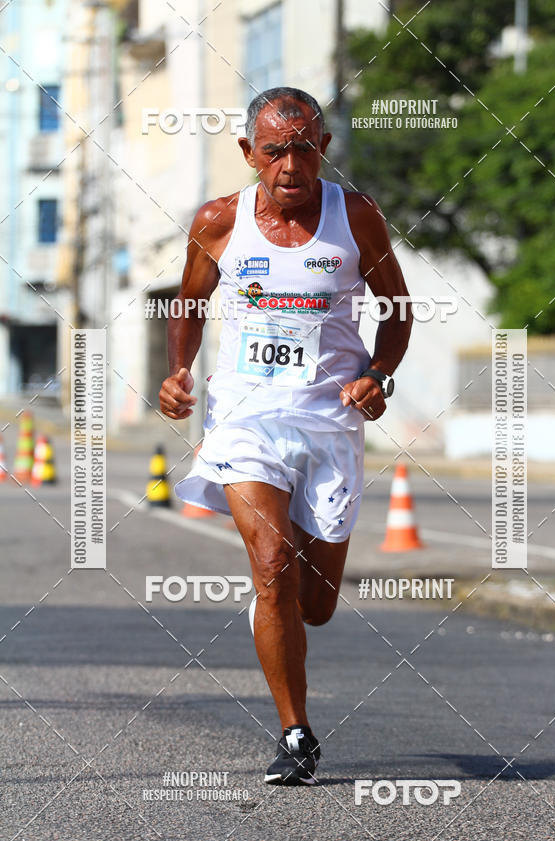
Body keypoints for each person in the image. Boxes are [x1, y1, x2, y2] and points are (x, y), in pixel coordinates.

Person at [159, 86, 413, 785]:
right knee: (272, 566)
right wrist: (179, 369)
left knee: (317, 603)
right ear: (250, 153)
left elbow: (397, 311)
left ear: (323, 149)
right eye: (274, 151)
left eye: (303, 148)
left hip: (330, 419)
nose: (290, 166)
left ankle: (283, 611)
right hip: (245, 415)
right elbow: (189, 300)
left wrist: (379, 375)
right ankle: (295, 733)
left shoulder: (355, 217)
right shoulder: (218, 221)